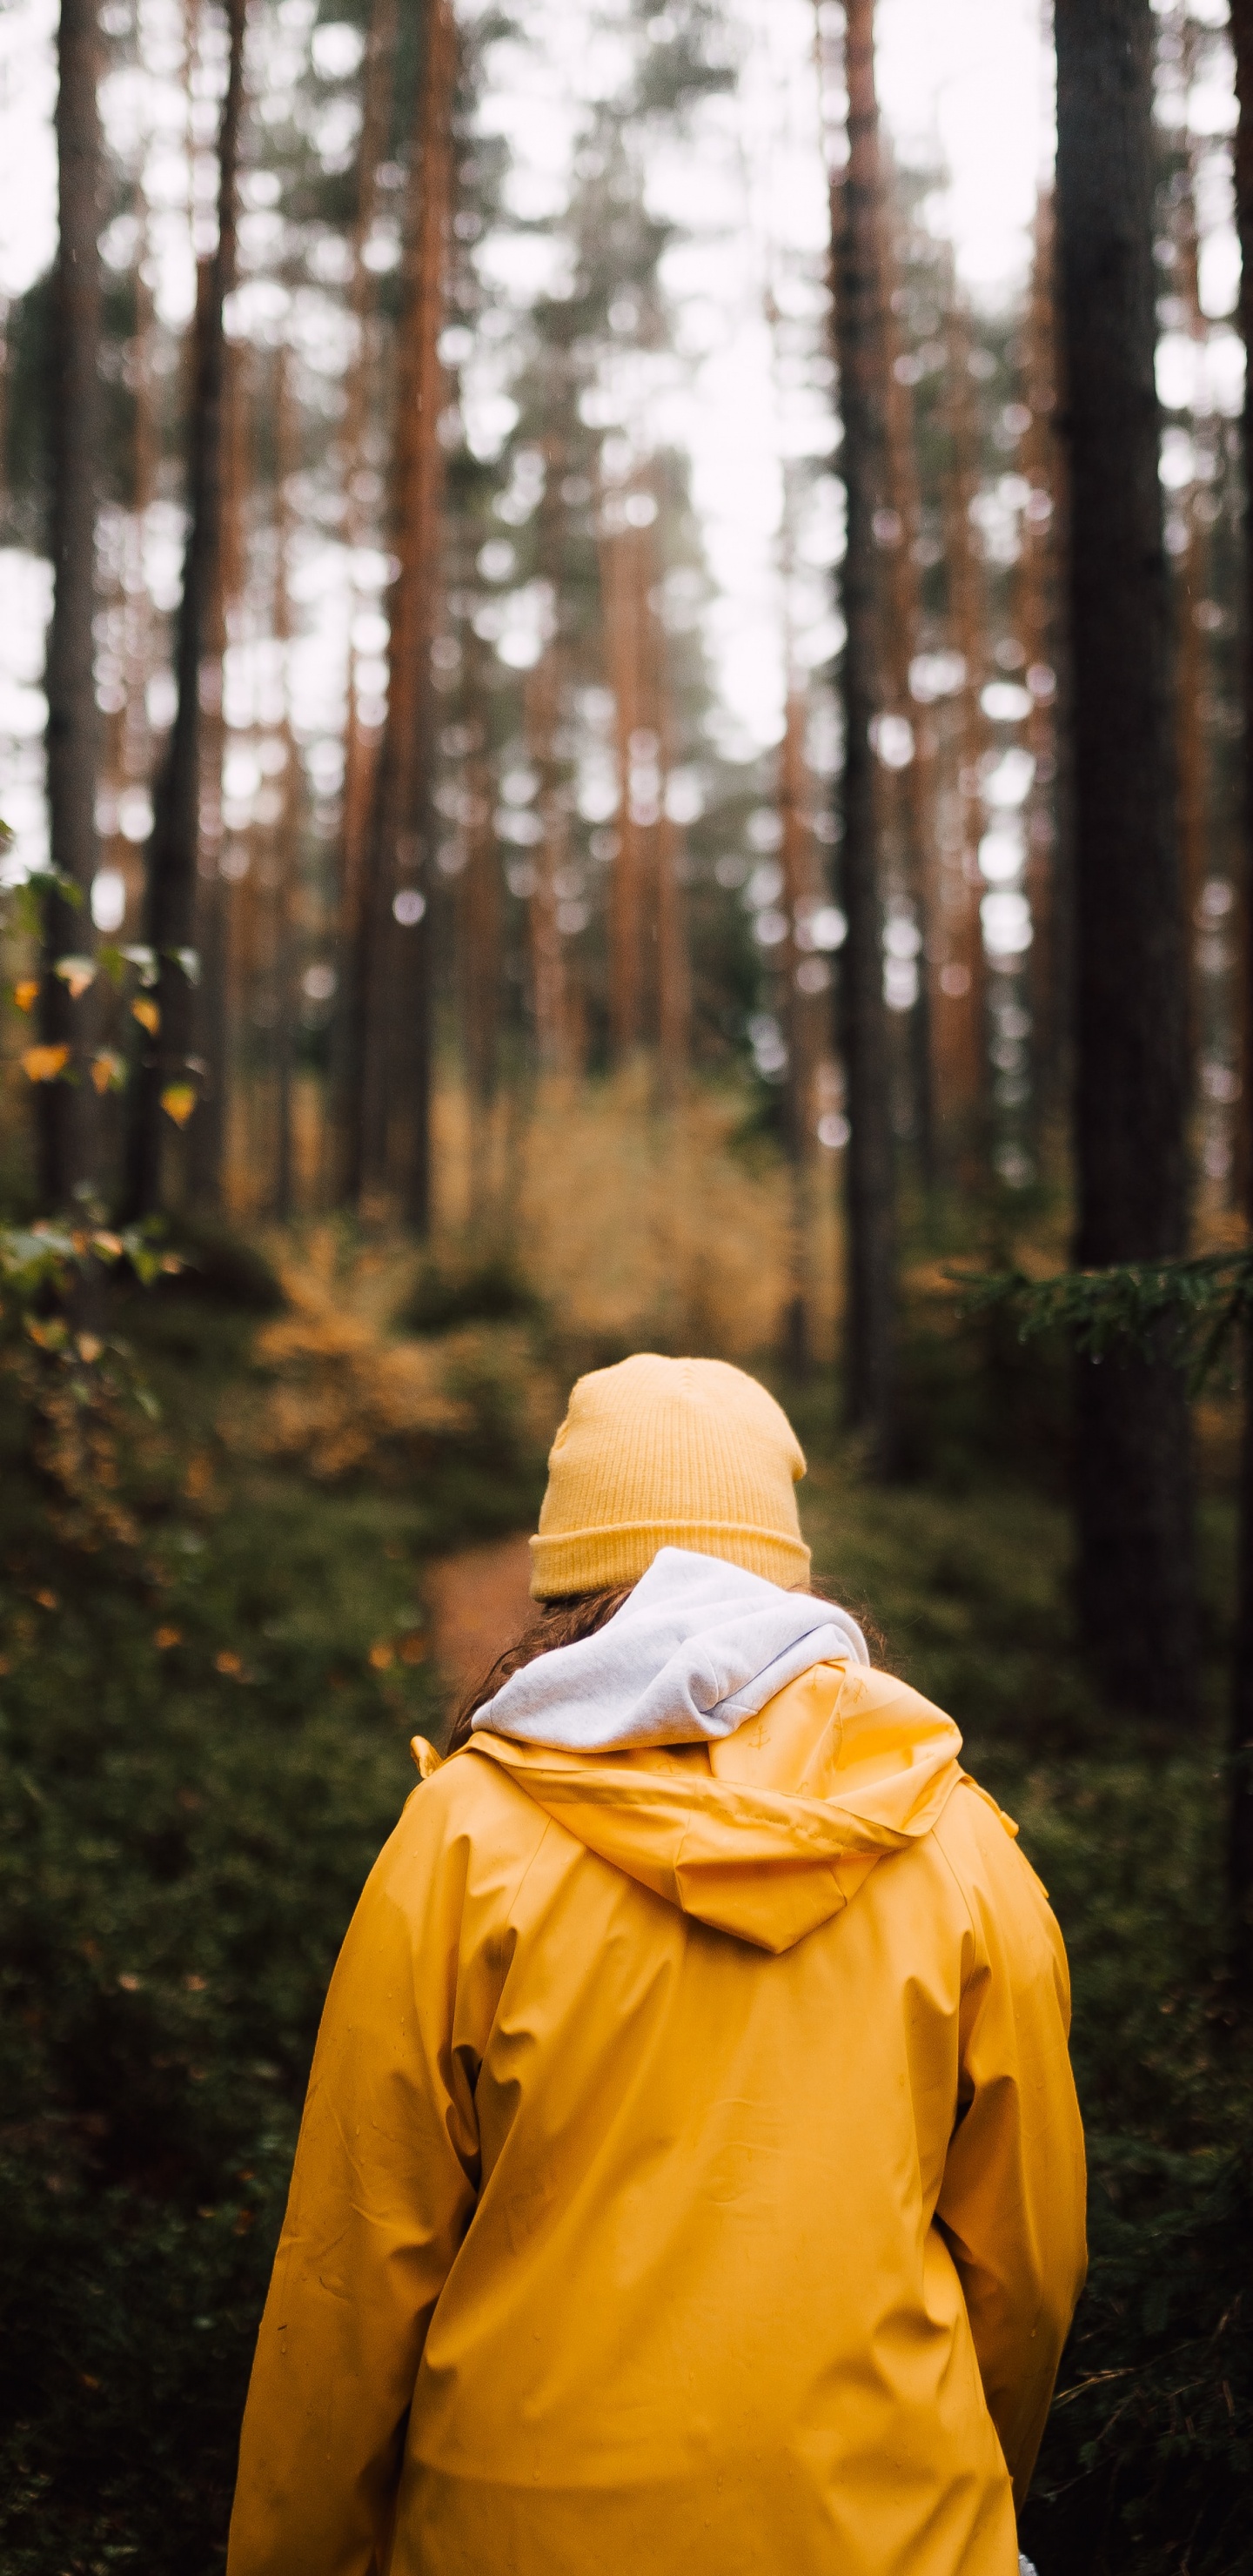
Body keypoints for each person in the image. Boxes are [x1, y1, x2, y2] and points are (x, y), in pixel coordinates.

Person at [227, 1353, 1086, 2576]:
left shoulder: (462, 1839)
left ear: (563, 1576)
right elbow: (1031, 2266)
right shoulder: (955, 1842)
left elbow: (353, 2270)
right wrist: (951, 2485)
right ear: (781, 1564)